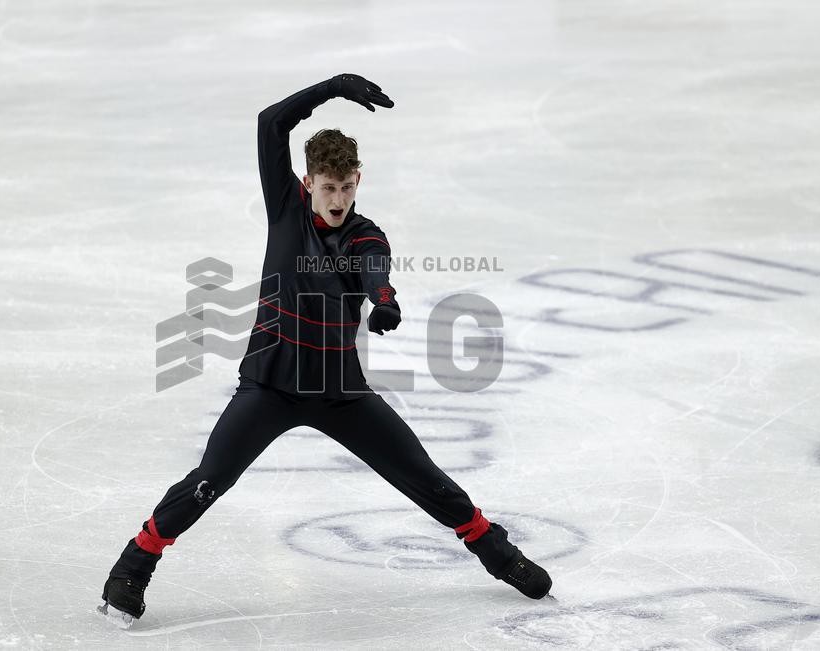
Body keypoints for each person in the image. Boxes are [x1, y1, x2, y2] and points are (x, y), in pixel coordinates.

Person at [99, 74, 552, 625]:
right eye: (328, 187)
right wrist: (332, 87)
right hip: (268, 387)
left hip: (340, 393)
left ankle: (499, 555)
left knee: (424, 477)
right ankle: (132, 568)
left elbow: (374, 268)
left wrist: (383, 299)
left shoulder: (365, 234)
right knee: (207, 480)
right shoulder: (285, 208)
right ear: (308, 182)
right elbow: (271, 123)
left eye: (346, 187)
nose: (338, 199)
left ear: (358, 181)